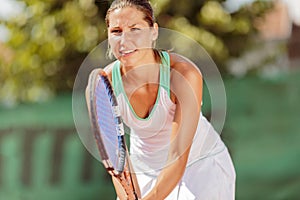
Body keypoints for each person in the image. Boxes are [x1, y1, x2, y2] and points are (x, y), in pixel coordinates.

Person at [89, 0, 236, 199]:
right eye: (116, 31)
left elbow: (178, 155)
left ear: (153, 32)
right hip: (144, 169)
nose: (124, 40)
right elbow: (118, 162)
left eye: (135, 29)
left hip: (201, 167)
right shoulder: (104, 86)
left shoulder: (183, 74)